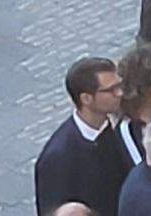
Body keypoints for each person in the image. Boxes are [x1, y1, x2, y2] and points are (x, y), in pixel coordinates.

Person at [38, 57, 137, 215]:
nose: (120, 93)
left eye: (119, 85)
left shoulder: (122, 128)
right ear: (86, 99)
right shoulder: (59, 156)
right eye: (111, 90)